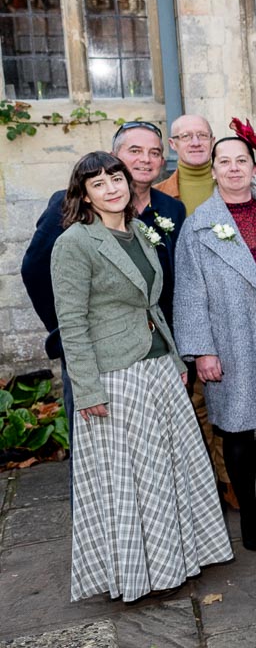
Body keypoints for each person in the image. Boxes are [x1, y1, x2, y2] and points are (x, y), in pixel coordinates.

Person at [51, 152, 232, 601]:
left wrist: (174, 360)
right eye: (98, 184)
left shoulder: (138, 232)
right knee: (132, 479)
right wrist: (86, 388)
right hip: (115, 374)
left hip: (158, 367)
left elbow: (151, 303)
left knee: (171, 469)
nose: (112, 188)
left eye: (116, 178)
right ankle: (137, 573)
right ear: (84, 195)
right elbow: (71, 323)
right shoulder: (74, 243)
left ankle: (178, 558)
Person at [174, 124, 256, 557]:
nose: (234, 169)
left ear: (255, 168)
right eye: (224, 162)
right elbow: (189, 293)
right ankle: (247, 510)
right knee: (236, 431)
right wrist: (202, 351)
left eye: (241, 161)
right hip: (230, 343)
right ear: (213, 171)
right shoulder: (198, 228)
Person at [22, 121, 186, 415]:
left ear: (163, 160)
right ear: (115, 155)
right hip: (97, 355)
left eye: (154, 152)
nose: (145, 159)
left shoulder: (170, 208)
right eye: (135, 150)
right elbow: (35, 270)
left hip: (153, 353)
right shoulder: (67, 208)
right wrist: (71, 332)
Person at [156, 114, 217, 212]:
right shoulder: (157, 194)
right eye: (186, 136)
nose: (196, 143)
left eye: (203, 135)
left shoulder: (236, 188)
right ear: (173, 144)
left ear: (212, 141)